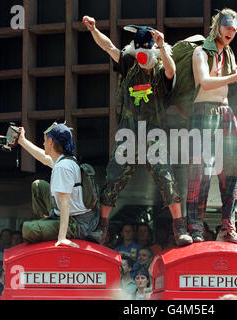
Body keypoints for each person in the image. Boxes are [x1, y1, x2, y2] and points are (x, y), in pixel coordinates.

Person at [82, 15, 193, 247]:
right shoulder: (129, 65)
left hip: (154, 136)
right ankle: (102, 228)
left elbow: (172, 71)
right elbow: (109, 47)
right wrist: (93, 30)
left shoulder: (162, 69)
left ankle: (179, 227)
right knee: (113, 178)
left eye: (146, 49)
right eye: (139, 48)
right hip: (128, 134)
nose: (142, 54)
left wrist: (162, 46)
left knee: (167, 178)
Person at [186, 8, 237, 244]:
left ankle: (228, 226)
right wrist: (236, 77)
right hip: (203, 112)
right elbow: (205, 82)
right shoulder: (200, 52)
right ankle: (195, 226)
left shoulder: (229, 54)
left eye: (235, 30)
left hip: (225, 112)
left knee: (235, 168)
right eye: (228, 28)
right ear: (217, 26)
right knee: (200, 172)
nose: (231, 33)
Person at [17, 122, 101, 248]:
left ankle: (56, 229)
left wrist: (61, 237)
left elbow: (65, 202)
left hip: (77, 223)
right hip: (66, 214)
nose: (44, 144)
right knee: (38, 185)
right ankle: (49, 223)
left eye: (45, 141)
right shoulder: (64, 160)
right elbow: (44, 158)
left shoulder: (63, 167)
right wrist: (22, 141)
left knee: (28, 229)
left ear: (51, 142)